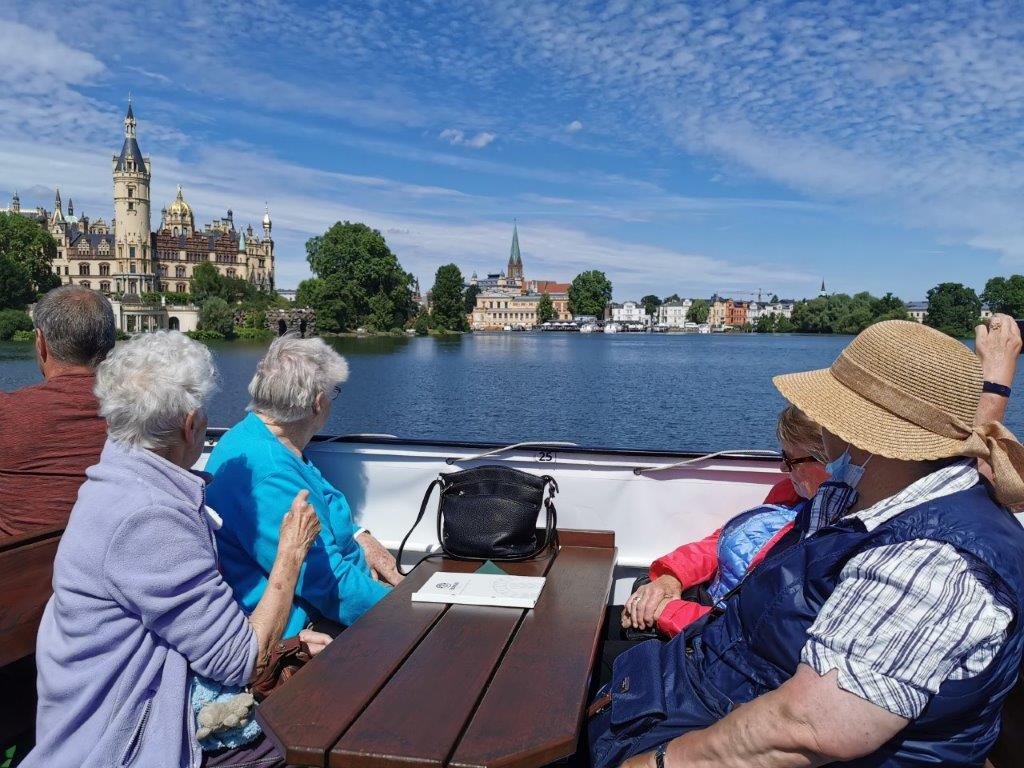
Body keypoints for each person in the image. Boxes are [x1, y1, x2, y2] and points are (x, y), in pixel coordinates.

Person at [590, 319, 1024, 768]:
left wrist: (656, 762)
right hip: (716, 679)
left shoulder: (931, 564)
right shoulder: (876, 493)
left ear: (858, 433)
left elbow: (806, 729)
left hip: (723, 715)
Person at [22, 332, 326, 768]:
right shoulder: (148, 518)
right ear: (190, 425)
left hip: (135, 700)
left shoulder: (121, 477)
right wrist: (292, 551)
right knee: (313, 735)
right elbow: (241, 662)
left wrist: (287, 644)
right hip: (124, 739)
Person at [205, 334, 399, 639]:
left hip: (333, 597)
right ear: (318, 403)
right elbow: (330, 587)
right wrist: (410, 609)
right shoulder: (268, 473)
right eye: (333, 393)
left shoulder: (262, 439)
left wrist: (361, 539)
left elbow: (325, 516)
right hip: (305, 624)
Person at [621, 405, 830, 637]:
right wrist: (672, 578)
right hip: (704, 605)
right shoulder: (791, 494)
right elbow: (721, 541)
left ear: (829, 460)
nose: (782, 467)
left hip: (718, 637)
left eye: (790, 459)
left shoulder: (830, 539)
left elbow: (761, 628)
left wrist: (670, 612)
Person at [0, 285, 114, 536]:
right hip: (109, 570)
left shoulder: (6, 413)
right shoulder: (145, 416)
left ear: (41, 343)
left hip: (19, 571)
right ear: (109, 347)